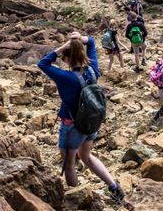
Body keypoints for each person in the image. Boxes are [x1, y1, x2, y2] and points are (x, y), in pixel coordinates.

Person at [37, 33, 125, 203]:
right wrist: (80, 40)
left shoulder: (66, 78)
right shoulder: (93, 70)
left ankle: (77, 202)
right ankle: (114, 187)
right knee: (86, 156)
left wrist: (63, 46)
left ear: (67, 58)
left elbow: (43, 63)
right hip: (91, 122)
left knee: (69, 165)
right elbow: (91, 41)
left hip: (72, 126)